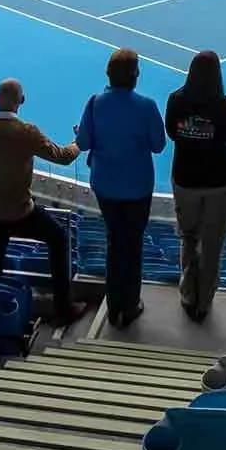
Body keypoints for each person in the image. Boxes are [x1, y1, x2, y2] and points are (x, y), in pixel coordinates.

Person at [0, 77, 86, 325]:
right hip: (20, 213)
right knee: (58, 239)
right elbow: (62, 157)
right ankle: (63, 308)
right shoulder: (27, 132)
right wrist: (79, 142)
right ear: (22, 101)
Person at [74, 48, 165, 329]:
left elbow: (85, 143)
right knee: (132, 244)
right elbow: (158, 145)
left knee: (114, 242)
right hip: (137, 187)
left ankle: (114, 307)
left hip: (106, 187)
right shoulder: (147, 106)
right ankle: (130, 304)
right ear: (135, 75)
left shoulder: (94, 104)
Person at [163, 50, 226, 323]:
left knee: (188, 237)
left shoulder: (176, 99)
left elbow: (172, 132)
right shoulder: (223, 103)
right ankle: (204, 302)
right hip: (219, 180)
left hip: (186, 179)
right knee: (211, 244)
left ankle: (188, 295)